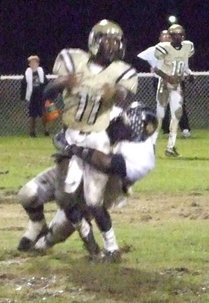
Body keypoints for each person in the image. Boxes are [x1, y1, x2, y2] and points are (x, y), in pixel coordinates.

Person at [42, 19, 138, 258]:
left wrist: (115, 92)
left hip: (97, 139)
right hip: (71, 136)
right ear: (95, 41)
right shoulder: (72, 59)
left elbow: (124, 96)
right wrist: (62, 82)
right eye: (108, 40)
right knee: (66, 198)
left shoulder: (122, 71)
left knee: (95, 202)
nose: (113, 46)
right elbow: (46, 94)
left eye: (117, 41)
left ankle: (112, 248)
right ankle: (91, 245)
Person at [17, 103, 157, 260]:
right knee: (27, 195)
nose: (128, 134)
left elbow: (106, 164)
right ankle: (38, 225)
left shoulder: (143, 157)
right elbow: (62, 135)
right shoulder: (106, 114)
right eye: (126, 127)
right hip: (75, 165)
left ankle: (106, 247)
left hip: (110, 184)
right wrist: (67, 143)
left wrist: (74, 148)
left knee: (62, 227)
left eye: (132, 133)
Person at [137, 30, 192, 138]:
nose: (166, 37)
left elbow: (185, 65)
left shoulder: (178, 49)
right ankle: (166, 130)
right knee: (162, 106)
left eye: (169, 35)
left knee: (179, 104)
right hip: (160, 80)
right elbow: (138, 58)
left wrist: (189, 73)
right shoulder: (153, 49)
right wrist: (150, 66)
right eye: (164, 35)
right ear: (160, 38)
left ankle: (185, 129)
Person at [154, 24, 195, 157]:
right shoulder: (163, 48)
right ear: (171, 37)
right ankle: (152, 146)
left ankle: (170, 147)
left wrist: (189, 75)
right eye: (175, 35)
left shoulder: (188, 46)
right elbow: (156, 69)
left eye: (180, 35)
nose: (178, 37)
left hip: (177, 85)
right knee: (160, 115)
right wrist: (167, 77)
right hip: (164, 84)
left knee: (176, 115)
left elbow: (184, 66)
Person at [20, 55, 50, 137]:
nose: (33, 64)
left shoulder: (41, 72)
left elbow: (46, 84)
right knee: (32, 115)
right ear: (29, 64)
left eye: (35, 62)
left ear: (38, 63)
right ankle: (32, 132)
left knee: (43, 114)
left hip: (41, 96)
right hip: (32, 97)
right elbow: (23, 85)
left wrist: (47, 97)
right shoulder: (27, 73)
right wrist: (23, 98)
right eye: (31, 62)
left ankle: (46, 131)